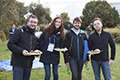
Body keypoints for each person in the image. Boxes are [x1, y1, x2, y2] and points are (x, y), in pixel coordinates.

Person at [7, 15, 38, 80]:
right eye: (31, 22)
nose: (33, 24)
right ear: (27, 22)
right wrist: (21, 51)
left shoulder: (34, 36)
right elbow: (10, 44)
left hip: (29, 65)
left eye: (35, 22)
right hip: (18, 64)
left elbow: (34, 48)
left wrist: (36, 52)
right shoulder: (20, 32)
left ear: (36, 24)